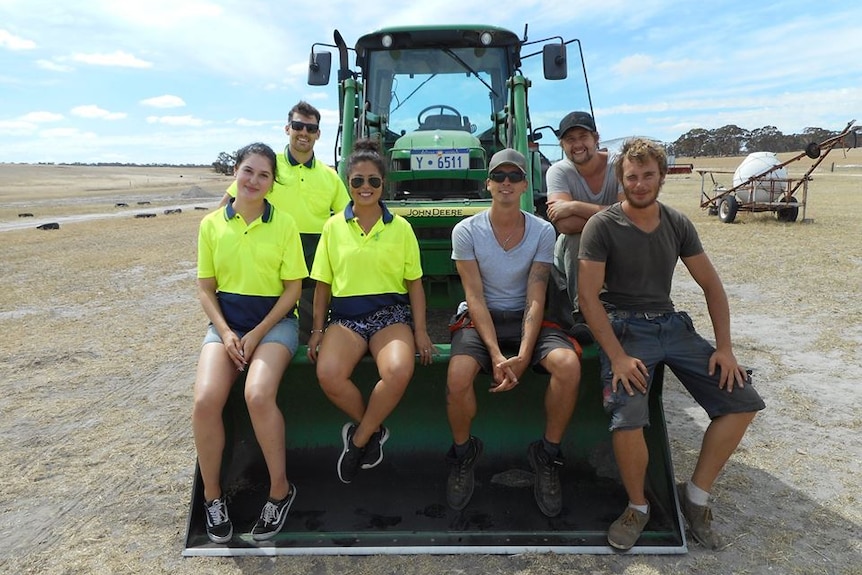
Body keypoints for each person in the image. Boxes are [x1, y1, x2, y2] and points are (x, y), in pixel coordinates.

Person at [577, 138, 766, 551]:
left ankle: (695, 496)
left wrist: (725, 348)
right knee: (628, 416)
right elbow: (588, 298)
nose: (640, 184)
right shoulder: (603, 225)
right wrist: (618, 356)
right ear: (620, 179)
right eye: (632, 176)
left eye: (648, 176)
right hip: (625, 327)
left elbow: (712, 286)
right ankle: (638, 507)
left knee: (742, 401)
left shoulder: (678, 223)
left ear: (662, 177)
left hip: (671, 325)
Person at [445, 148, 582, 517]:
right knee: (458, 376)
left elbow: (537, 294)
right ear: (488, 183)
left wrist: (523, 354)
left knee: (568, 365)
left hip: (527, 318)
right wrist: (494, 353)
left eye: (514, 177)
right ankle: (463, 453)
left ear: (525, 184)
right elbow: (474, 296)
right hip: (482, 317)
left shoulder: (541, 230)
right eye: (499, 176)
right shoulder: (466, 231)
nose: (506, 183)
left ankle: (547, 455)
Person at [193, 143, 308, 543]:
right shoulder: (211, 225)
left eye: (263, 175)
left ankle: (280, 491)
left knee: (258, 394)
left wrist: (257, 333)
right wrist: (225, 333)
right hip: (227, 324)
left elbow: (293, 289)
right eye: (248, 171)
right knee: (206, 400)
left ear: (272, 182)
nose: (254, 180)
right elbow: (206, 288)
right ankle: (211, 497)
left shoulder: (285, 225)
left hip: (274, 325)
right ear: (235, 174)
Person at [307, 138, 433, 484]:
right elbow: (322, 285)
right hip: (345, 318)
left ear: (383, 184)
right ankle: (374, 428)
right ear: (348, 184)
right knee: (329, 374)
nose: (365, 187)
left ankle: (359, 439)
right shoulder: (333, 227)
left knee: (396, 370)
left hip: (389, 316)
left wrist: (420, 331)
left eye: (373, 181)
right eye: (357, 181)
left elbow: (415, 285)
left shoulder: (401, 228)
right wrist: (318, 330)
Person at [221, 100, 350, 344]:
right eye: (298, 126)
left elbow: (347, 219)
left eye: (310, 129)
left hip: (312, 269)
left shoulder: (330, 177)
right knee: (265, 330)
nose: (304, 133)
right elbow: (225, 208)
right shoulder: (267, 167)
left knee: (309, 334)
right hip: (267, 266)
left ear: (319, 134)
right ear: (287, 128)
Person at [544, 111, 621, 333]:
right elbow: (565, 226)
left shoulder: (619, 165)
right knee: (577, 239)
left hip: (619, 241)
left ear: (596, 138)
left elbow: (631, 216)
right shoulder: (558, 171)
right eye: (570, 140)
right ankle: (585, 312)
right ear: (562, 145)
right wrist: (613, 215)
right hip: (577, 245)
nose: (577, 144)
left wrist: (575, 206)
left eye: (583, 137)